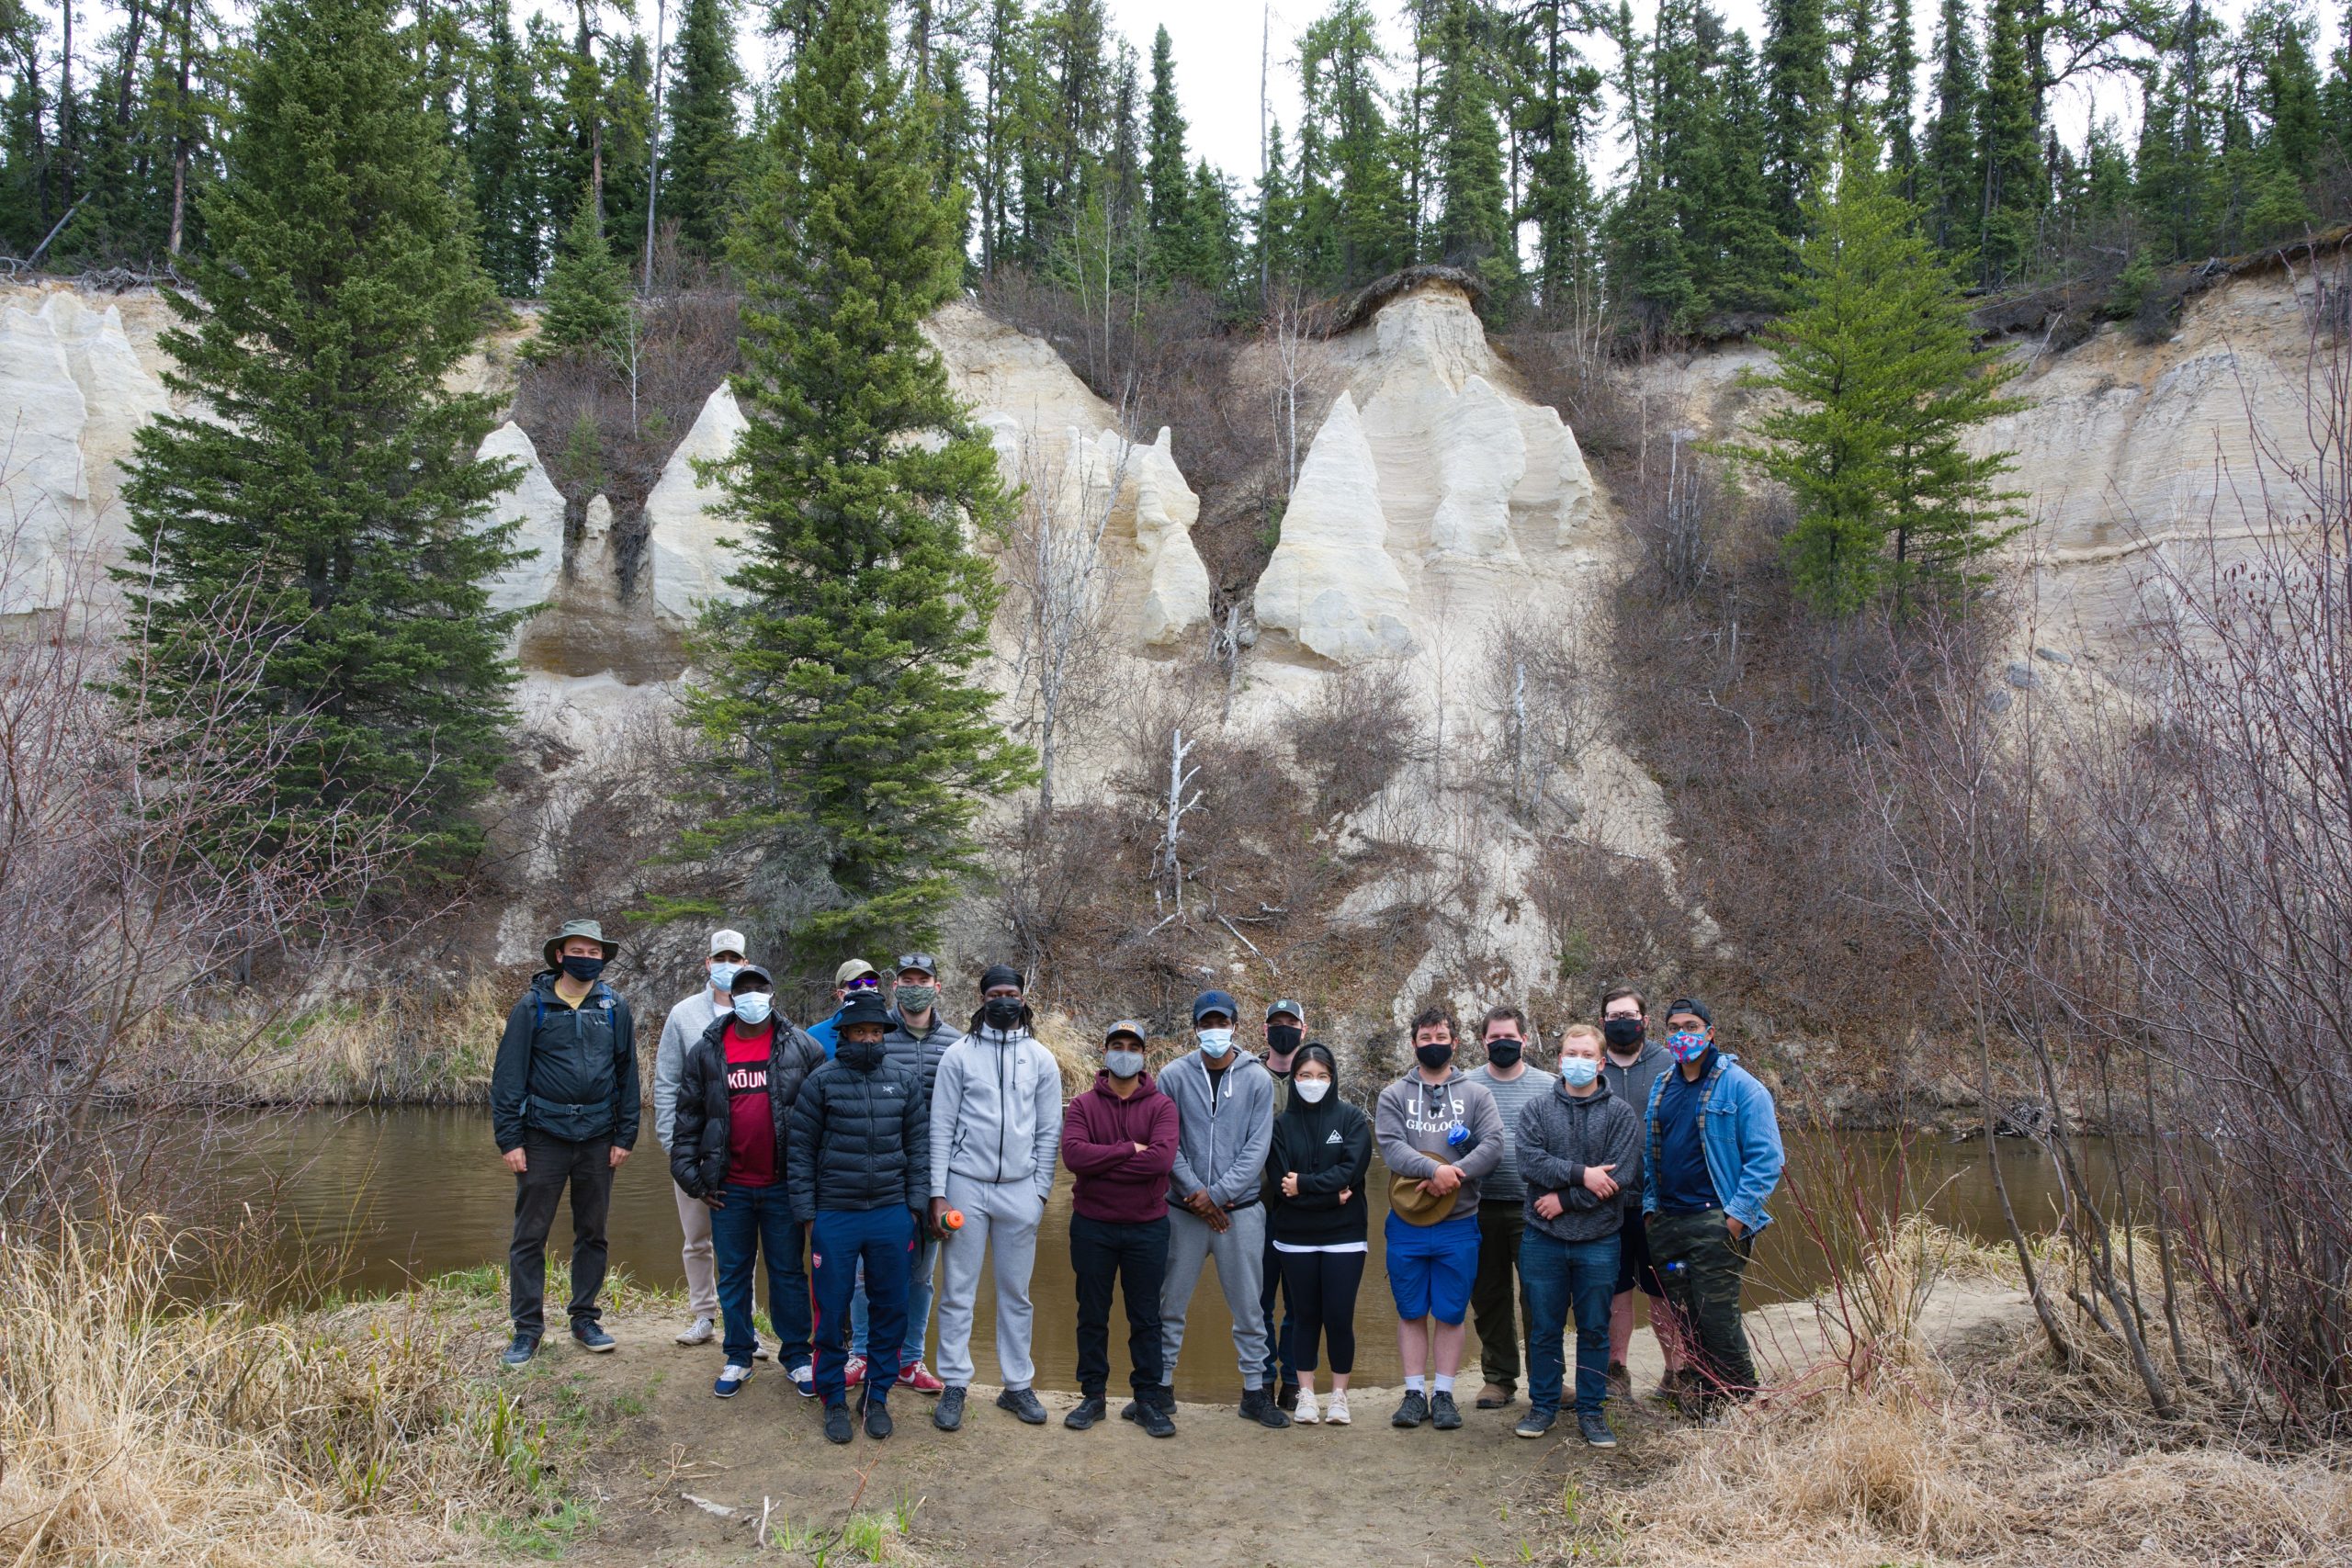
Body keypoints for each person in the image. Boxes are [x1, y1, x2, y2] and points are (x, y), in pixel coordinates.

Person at [668, 964, 828, 1400]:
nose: (752, 995)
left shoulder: (803, 1047)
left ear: (772, 995)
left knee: (788, 1274)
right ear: (731, 997)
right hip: (728, 1188)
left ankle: (796, 1355)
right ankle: (738, 1353)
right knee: (734, 1275)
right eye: (743, 989)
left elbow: (824, 1121)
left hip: (782, 1187)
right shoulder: (708, 1050)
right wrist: (691, 1177)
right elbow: (687, 1119)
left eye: (759, 988)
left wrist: (812, 1182)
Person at [491, 919, 639, 1368]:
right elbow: (507, 1078)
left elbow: (627, 1074)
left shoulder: (614, 1007)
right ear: (560, 955)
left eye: (595, 953)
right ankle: (527, 1329)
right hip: (542, 1138)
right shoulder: (531, 1006)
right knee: (529, 1234)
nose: (587, 959)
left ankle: (584, 1318)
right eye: (579, 951)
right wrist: (509, 1140)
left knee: (593, 1232)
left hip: (598, 1138)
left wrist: (625, 1135)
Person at [787, 990, 929, 1443]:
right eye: (859, 1031)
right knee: (830, 1310)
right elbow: (801, 1152)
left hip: (890, 1212)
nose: (868, 1039)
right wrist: (808, 1214)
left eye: (875, 1031)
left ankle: (877, 1395)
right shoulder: (821, 1082)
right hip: (836, 1213)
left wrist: (914, 1208)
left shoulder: (903, 1082)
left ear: (884, 1034)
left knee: (892, 1307)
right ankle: (832, 1398)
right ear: (844, 1034)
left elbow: (919, 1150)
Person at [927, 964, 1062, 1433]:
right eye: (995, 994)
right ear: (982, 999)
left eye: (1012, 993)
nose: (1004, 1001)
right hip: (966, 1184)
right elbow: (940, 1126)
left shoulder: (1041, 1058)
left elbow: (1049, 1132)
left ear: (1023, 998)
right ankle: (956, 1384)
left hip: (1020, 1190)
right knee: (958, 1290)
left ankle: (1017, 1385)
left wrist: (1041, 1191)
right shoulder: (958, 1055)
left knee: (1016, 1293)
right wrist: (938, 1194)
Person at [1641, 997, 1784, 1415]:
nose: (1682, 1034)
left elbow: (1767, 1159)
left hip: (1714, 1222)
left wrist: (1737, 1218)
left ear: (1710, 1032)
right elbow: (1653, 1152)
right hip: (1668, 1223)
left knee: (1717, 1318)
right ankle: (1707, 1400)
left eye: (1691, 1025)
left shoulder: (1741, 1086)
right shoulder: (1663, 1084)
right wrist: (1651, 1210)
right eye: (1673, 1027)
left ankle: (1741, 1404)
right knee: (1686, 1319)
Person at [1156, 990, 1287, 1428]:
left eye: (1222, 1021)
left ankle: (1254, 1391)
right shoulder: (1172, 1076)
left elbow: (1258, 1147)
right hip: (1183, 1211)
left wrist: (1218, 1194)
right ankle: (1161, 1387)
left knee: (1250, 1309)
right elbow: (1166, 1141)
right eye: (1206, 1022)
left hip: (1242, 1212)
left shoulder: (1257, 1079)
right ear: (1195, 1027)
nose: (1215, 1030)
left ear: (1235, 1024)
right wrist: (1195, 1192)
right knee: (1169, 1303)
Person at [1514, 1022, 1644, 1446]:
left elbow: (1619, 1179)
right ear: (1559, 1059)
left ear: (1601, 1062)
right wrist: (1581, 1175)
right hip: (1543, 1238)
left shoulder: (1620, 1115)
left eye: (1588, 1055)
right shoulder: (1536, 1109)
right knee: (1544, 1328)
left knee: (1593, 1328)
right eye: (1572, 1053)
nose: (1579, 1062)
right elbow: (1530, 1164)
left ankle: (1591, 1411)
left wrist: (1565, 1200)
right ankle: (1544, 1406)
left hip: (1599, 1241)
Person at [1374, 1004, 1502, 1429]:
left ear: (1455, 1042)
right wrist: (1435, 1170)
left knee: (1450, 1312)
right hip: (1407, 1224)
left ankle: (1444, 1394)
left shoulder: (1476, 1094)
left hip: (1459, 1223)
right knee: (1411, 1311)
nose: (1433, 1045)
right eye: (1425, 1039)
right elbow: (1392, 1147)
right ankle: (1414, 1393)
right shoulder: (1393, 1094)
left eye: (1441, 1037)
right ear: (1413, 1044)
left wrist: (1454, 1175)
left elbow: (1494, 1145)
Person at [846, 953, 961, 1396]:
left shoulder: (956, 1043)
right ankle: (862, 1352)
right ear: (895, 986)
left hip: (932, 1180)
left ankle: (910, 1360)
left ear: (937, 985)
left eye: (923, 978)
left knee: (920, 1277)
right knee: (861, 1275)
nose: (915, 985)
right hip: (876, 1178)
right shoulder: (877, 1034)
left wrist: (944, 1187)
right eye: (907, 979)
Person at [1059, 1020, 1180, 1437]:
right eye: (1117, 1044)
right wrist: (1129, 1149)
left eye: (1132, 1046)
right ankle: (1092, 1396)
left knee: (1146, 1316)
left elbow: (1161, 1163)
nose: (1124, 1052)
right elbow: (1074, 1157)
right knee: (1092, 1313)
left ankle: (1147, 1399)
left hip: (1147, 1228)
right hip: (1093, 1226)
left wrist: (1104, 1163)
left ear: (1144, 1054)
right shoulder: (1082, 1105)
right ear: (1104, 1050)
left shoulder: (1162, 1106)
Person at [1264, 1043, 1371, 1427]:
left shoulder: (1352, 1119)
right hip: (1295, 1236)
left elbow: (1352, 1172)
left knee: (1339, 1316)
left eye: (1322, 1076)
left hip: (1345, 1235)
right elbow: (1280, 1184)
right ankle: (1306, 1394)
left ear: (1333, 1078)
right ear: (1294, 1080)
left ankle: (1339, 1396)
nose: (1314, 1083)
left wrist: (1306, 1186)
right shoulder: (1279, 1125)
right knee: (1305, 1314)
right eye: (1306, 1076)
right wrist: (1329, 1196)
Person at [652, 928, 746, 1352]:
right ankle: (703, 1315)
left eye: (734, 959)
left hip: (746, 1150)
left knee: (744, 1242)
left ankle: (743, 1325)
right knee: (697, 1238)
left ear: (745, 964)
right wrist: (674, 1147)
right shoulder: (682, 1014)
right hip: (694, 1147)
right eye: (719, 958)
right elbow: (666, 1082)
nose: (727, 965)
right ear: (708, 963)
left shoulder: (757, 1010)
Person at [1465, 1005, 1558, 1411]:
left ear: (1525, 1039)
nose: (1502, 1043)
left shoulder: (1550, 1086)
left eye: (1510, 1036)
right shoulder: (1464, 1084)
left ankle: (1547, 1380)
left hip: (1535, 1208)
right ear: (1483, 1041)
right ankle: (1499, 1379)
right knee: (1489, 1296)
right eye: (1494, 1037)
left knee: (1540, 1297)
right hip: (1477, 1207)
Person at [1598, 986, 1683, 1397]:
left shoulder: (1670, 1064)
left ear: (1644, 1020)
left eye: (1629, 1015)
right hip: (1606, 1202)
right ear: (1603, 1022)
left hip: (1659, 1205)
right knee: (1616, 1293)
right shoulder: (1591, 1067)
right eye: (1614, 1016)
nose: (1622, 1022)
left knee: (1663, 1294)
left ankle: (1676, 1372)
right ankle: (1617, 1373)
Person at [1257, 998, 1306, 1411]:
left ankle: (1292, 1380)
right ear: (1265, 1030)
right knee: (1257, 1301)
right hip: (1255, 1206)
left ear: (1303, 1030)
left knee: (1298, 1302)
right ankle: (1259, 1380)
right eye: (1277, 1023)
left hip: (1303, 1207)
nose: (1284, 1029)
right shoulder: (1246, 1075)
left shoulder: (1314, 1078)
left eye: (1291, 1023)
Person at [807, 958, 881, 1058]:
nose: (865, 987)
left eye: (870, 981)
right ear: (841, 994)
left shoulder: (888, 1030)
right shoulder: (815, 1036)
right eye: (855, 984)